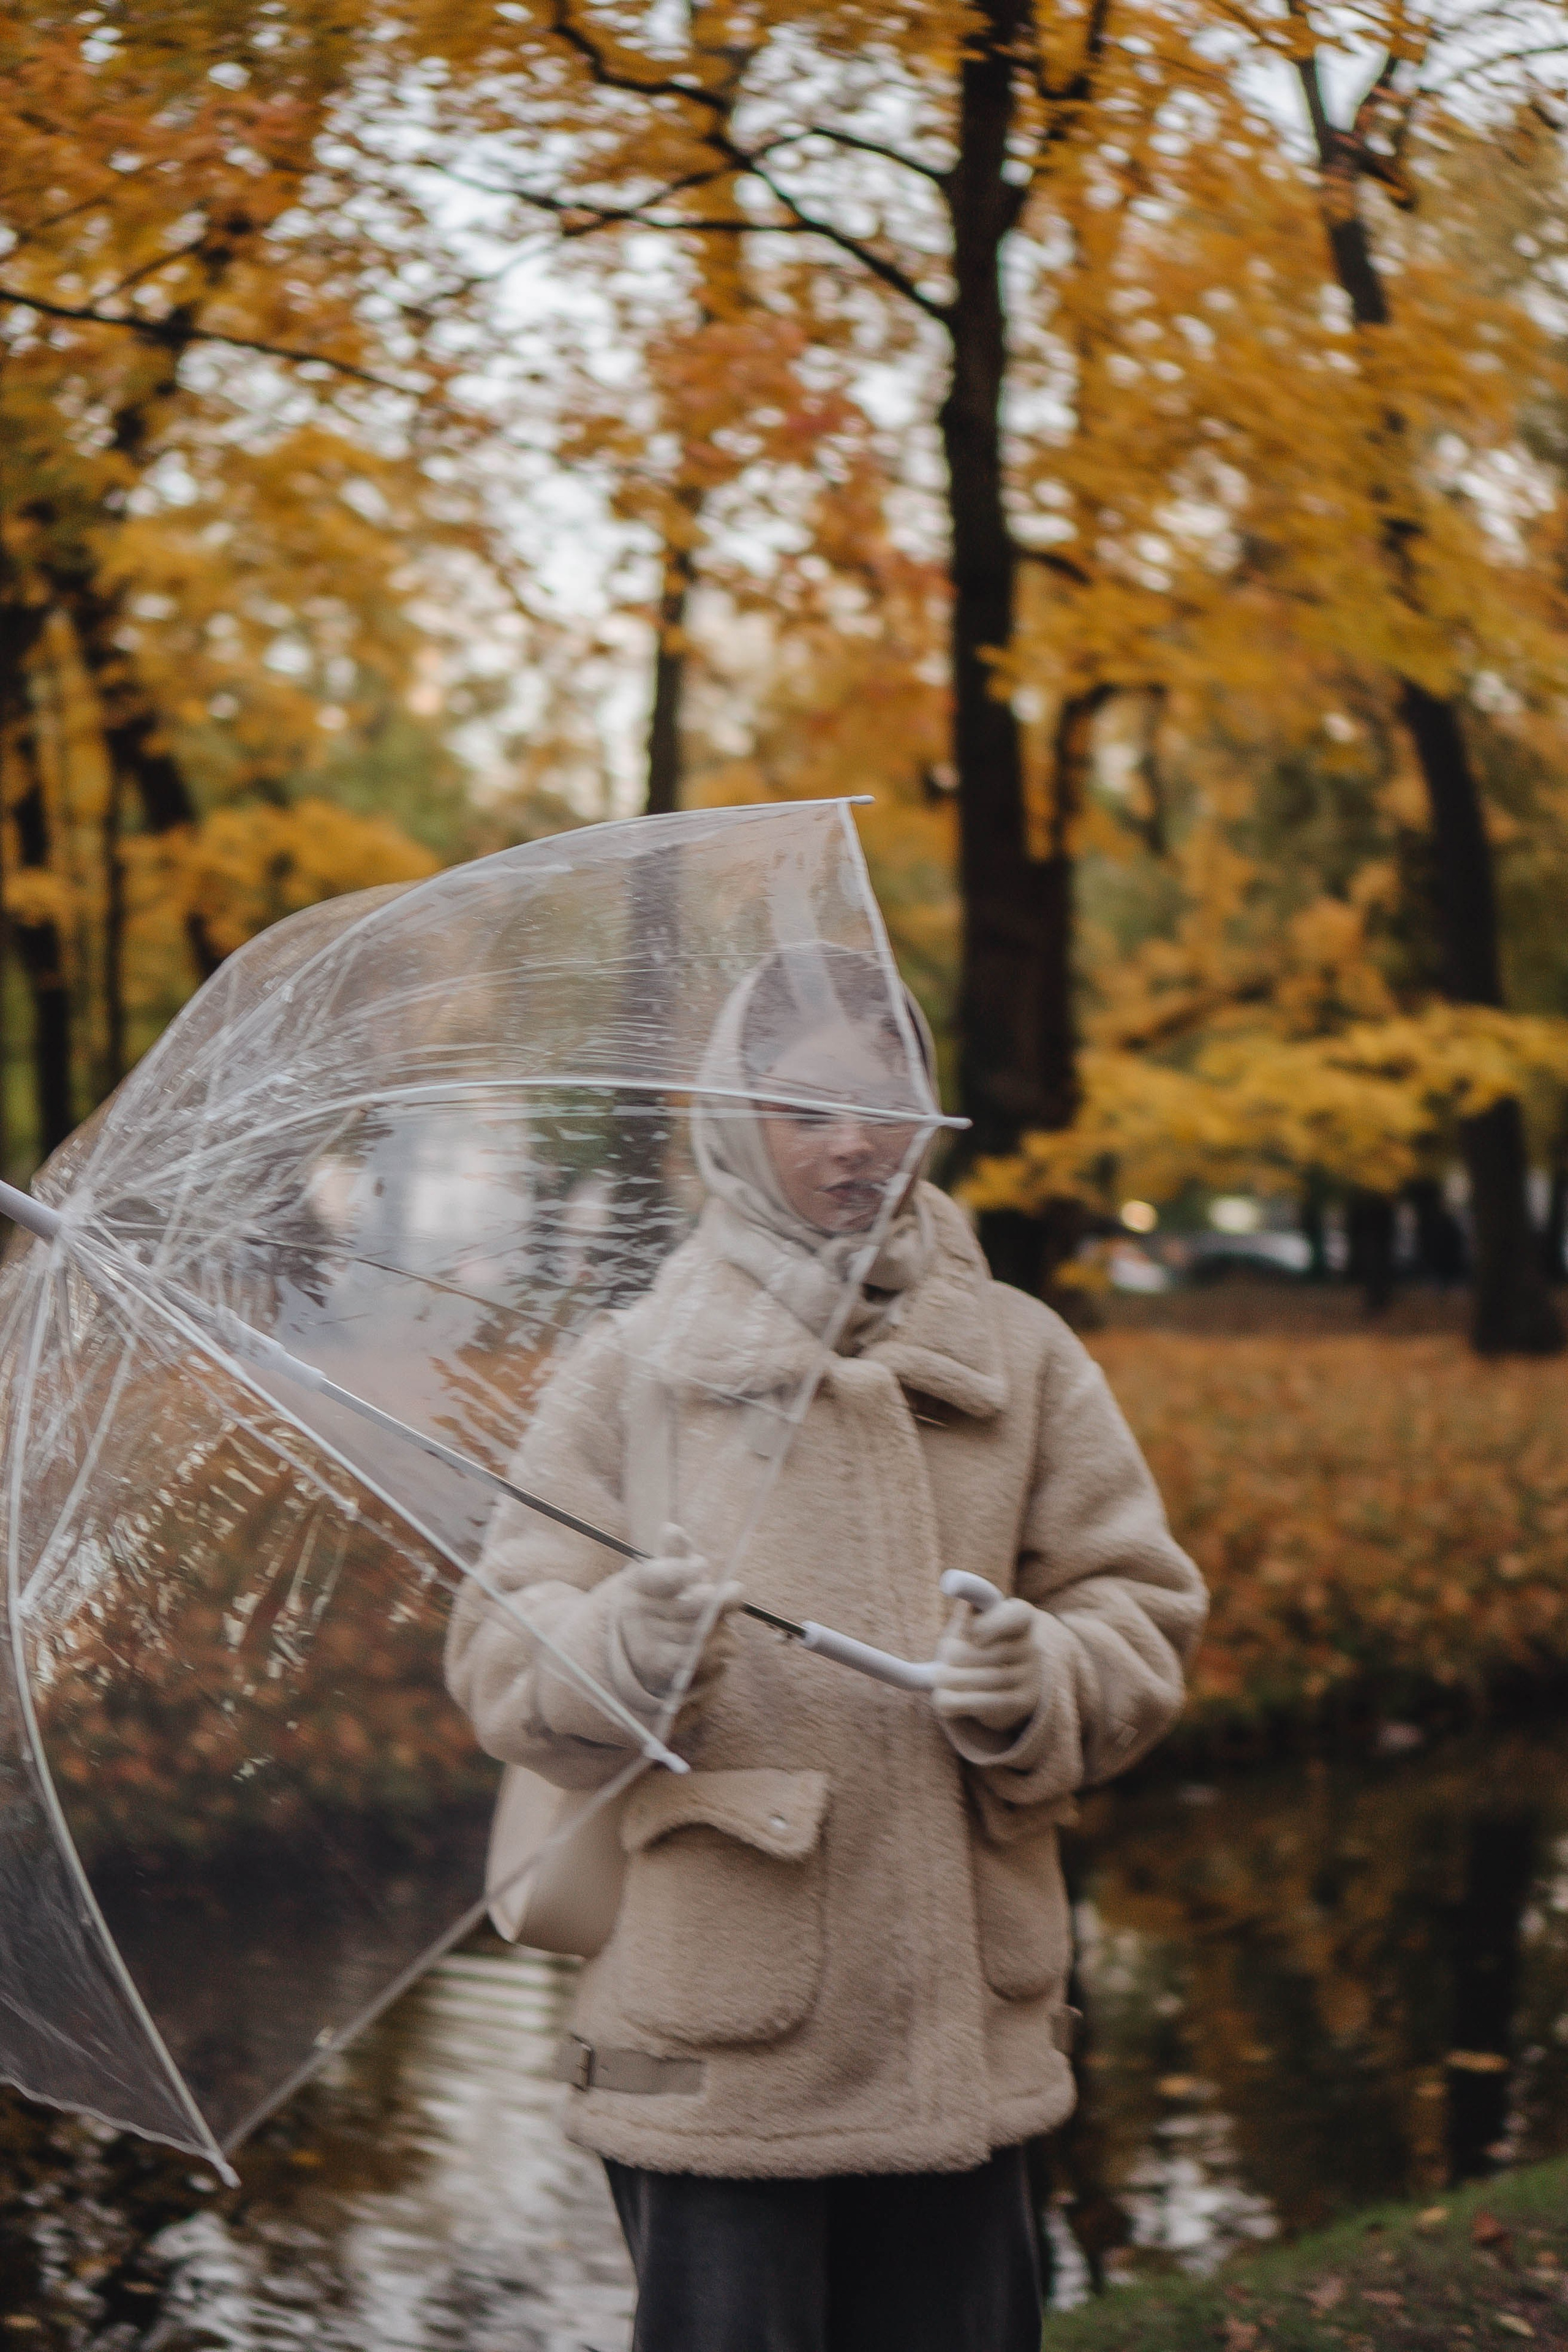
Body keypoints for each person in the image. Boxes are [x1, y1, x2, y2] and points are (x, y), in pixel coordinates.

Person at [447, 944, 1207, 2352]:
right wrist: (619, 1644)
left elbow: (1138, 1608)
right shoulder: (632, 1368)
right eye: (807, 1111)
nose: (858, 1144)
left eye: (889, 1103)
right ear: (734, 1124)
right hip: (718, 2039)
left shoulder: (1022, 1355)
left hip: (957, 2029)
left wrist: (1039, 1675)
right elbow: (502, 1645)